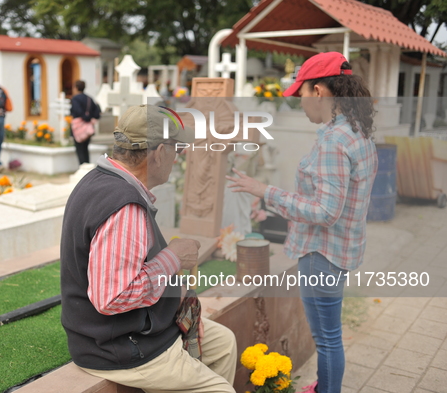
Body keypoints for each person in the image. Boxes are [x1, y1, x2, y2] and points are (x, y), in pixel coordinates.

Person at [226, 52, 378, 393]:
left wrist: (266, 191)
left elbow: (325, 212)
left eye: (302, 94)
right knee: (330, 335)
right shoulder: (356, 132)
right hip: (341, 249)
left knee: (326, 339)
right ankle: (326, 384)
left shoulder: (334, 141)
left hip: (321, 253)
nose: (300, 103)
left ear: (320, 91)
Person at [61, 104, 237, 393]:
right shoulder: (124, 205)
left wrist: (178, 296)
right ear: (158, 153)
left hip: (131, 332)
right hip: (117, 348)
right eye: (176, 148)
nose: (179, 157)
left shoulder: (101, 180)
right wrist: (174, 257)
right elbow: (113, 297)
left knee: (224, 344)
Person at [70, 80, 100, 165]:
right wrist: (89, 118)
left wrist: (85, 117)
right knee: (86, 148)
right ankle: (87, 167)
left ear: (76, 88)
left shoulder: (75, 98)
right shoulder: (89, 98)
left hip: (78, 127)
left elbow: (77, 111)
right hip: (88, 128)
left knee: (79, 149)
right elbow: (97, 112)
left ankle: (82, 168)